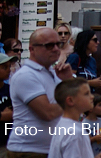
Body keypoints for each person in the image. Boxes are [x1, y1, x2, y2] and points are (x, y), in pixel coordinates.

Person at [8, 26, 76, 157]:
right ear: (32, 49)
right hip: (28, 151)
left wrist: (68, 81)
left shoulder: (55, 72)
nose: (56, 49)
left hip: (51, 149)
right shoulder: (25, 75)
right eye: (49, 45)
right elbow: (48, 113)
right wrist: (73, 102)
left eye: (58, 44)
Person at [46, 78, 101, 158]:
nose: (92, 97)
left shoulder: (63, 125)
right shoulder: (74, 132)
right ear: (70, 101)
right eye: (86, 94)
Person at [83, 91, 101, 156]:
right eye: (99, 105)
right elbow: (85, 141)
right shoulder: (85, 124)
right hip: (93, 154)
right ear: (90, 108)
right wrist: (94, 138)